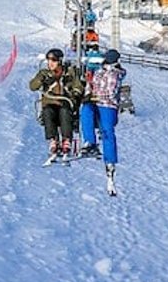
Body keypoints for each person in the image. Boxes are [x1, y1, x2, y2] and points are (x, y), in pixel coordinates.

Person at [28, 48, 84, 162]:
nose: (50, 63)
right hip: (50, 102)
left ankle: (66, 140)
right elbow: (33, 86)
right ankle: (53, 140)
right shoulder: (44, 73)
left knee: (64, 111)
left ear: (60, 61)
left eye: (53, 60)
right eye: (48, 60)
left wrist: (74, 95)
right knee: (48, 111)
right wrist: (41, 80)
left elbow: (78, 86)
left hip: (65, 102)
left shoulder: (69, 72)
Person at [89, 49, 127, 188]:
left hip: (108, 105)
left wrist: (96, 95)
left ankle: (110, 160)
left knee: (107, 131)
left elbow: (110, 93)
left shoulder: (115, 74)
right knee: (85, 111)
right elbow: (93, 85)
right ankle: (90, 142)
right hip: (96, 102)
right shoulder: (100, 71)